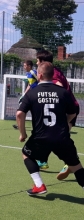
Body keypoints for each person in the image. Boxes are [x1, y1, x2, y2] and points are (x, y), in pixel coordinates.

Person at [16, 61, 84, 195]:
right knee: (76, 166)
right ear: (52, 75)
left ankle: (39, 185)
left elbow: (19, 114)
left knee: (26, 154)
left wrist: (22, 134)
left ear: (39, 75)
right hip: (62, 138)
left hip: (40, 138)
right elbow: (73, 112)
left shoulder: (32, 93)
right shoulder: (63, 92)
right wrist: (64, 123)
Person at [36, 49, 80, 177]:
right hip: (69, 108)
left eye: (38, 61)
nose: (36, 62)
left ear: (43, 61)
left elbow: (59, 86)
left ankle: (70, 162)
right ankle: (44, 160)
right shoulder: (55, 71)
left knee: (59, 137)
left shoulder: (52, 74)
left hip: (67, 109)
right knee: (56, 135)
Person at [13, 60, 38, 130]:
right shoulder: (27, 74)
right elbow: (30, 84)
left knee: (36, 111)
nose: (24, 67)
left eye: (25, 65)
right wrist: (24, 94)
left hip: (36, 95)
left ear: (29, 66)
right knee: (23, 108)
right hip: (30, 94)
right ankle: (20, 125)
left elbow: (40, 81)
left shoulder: (34, 72)